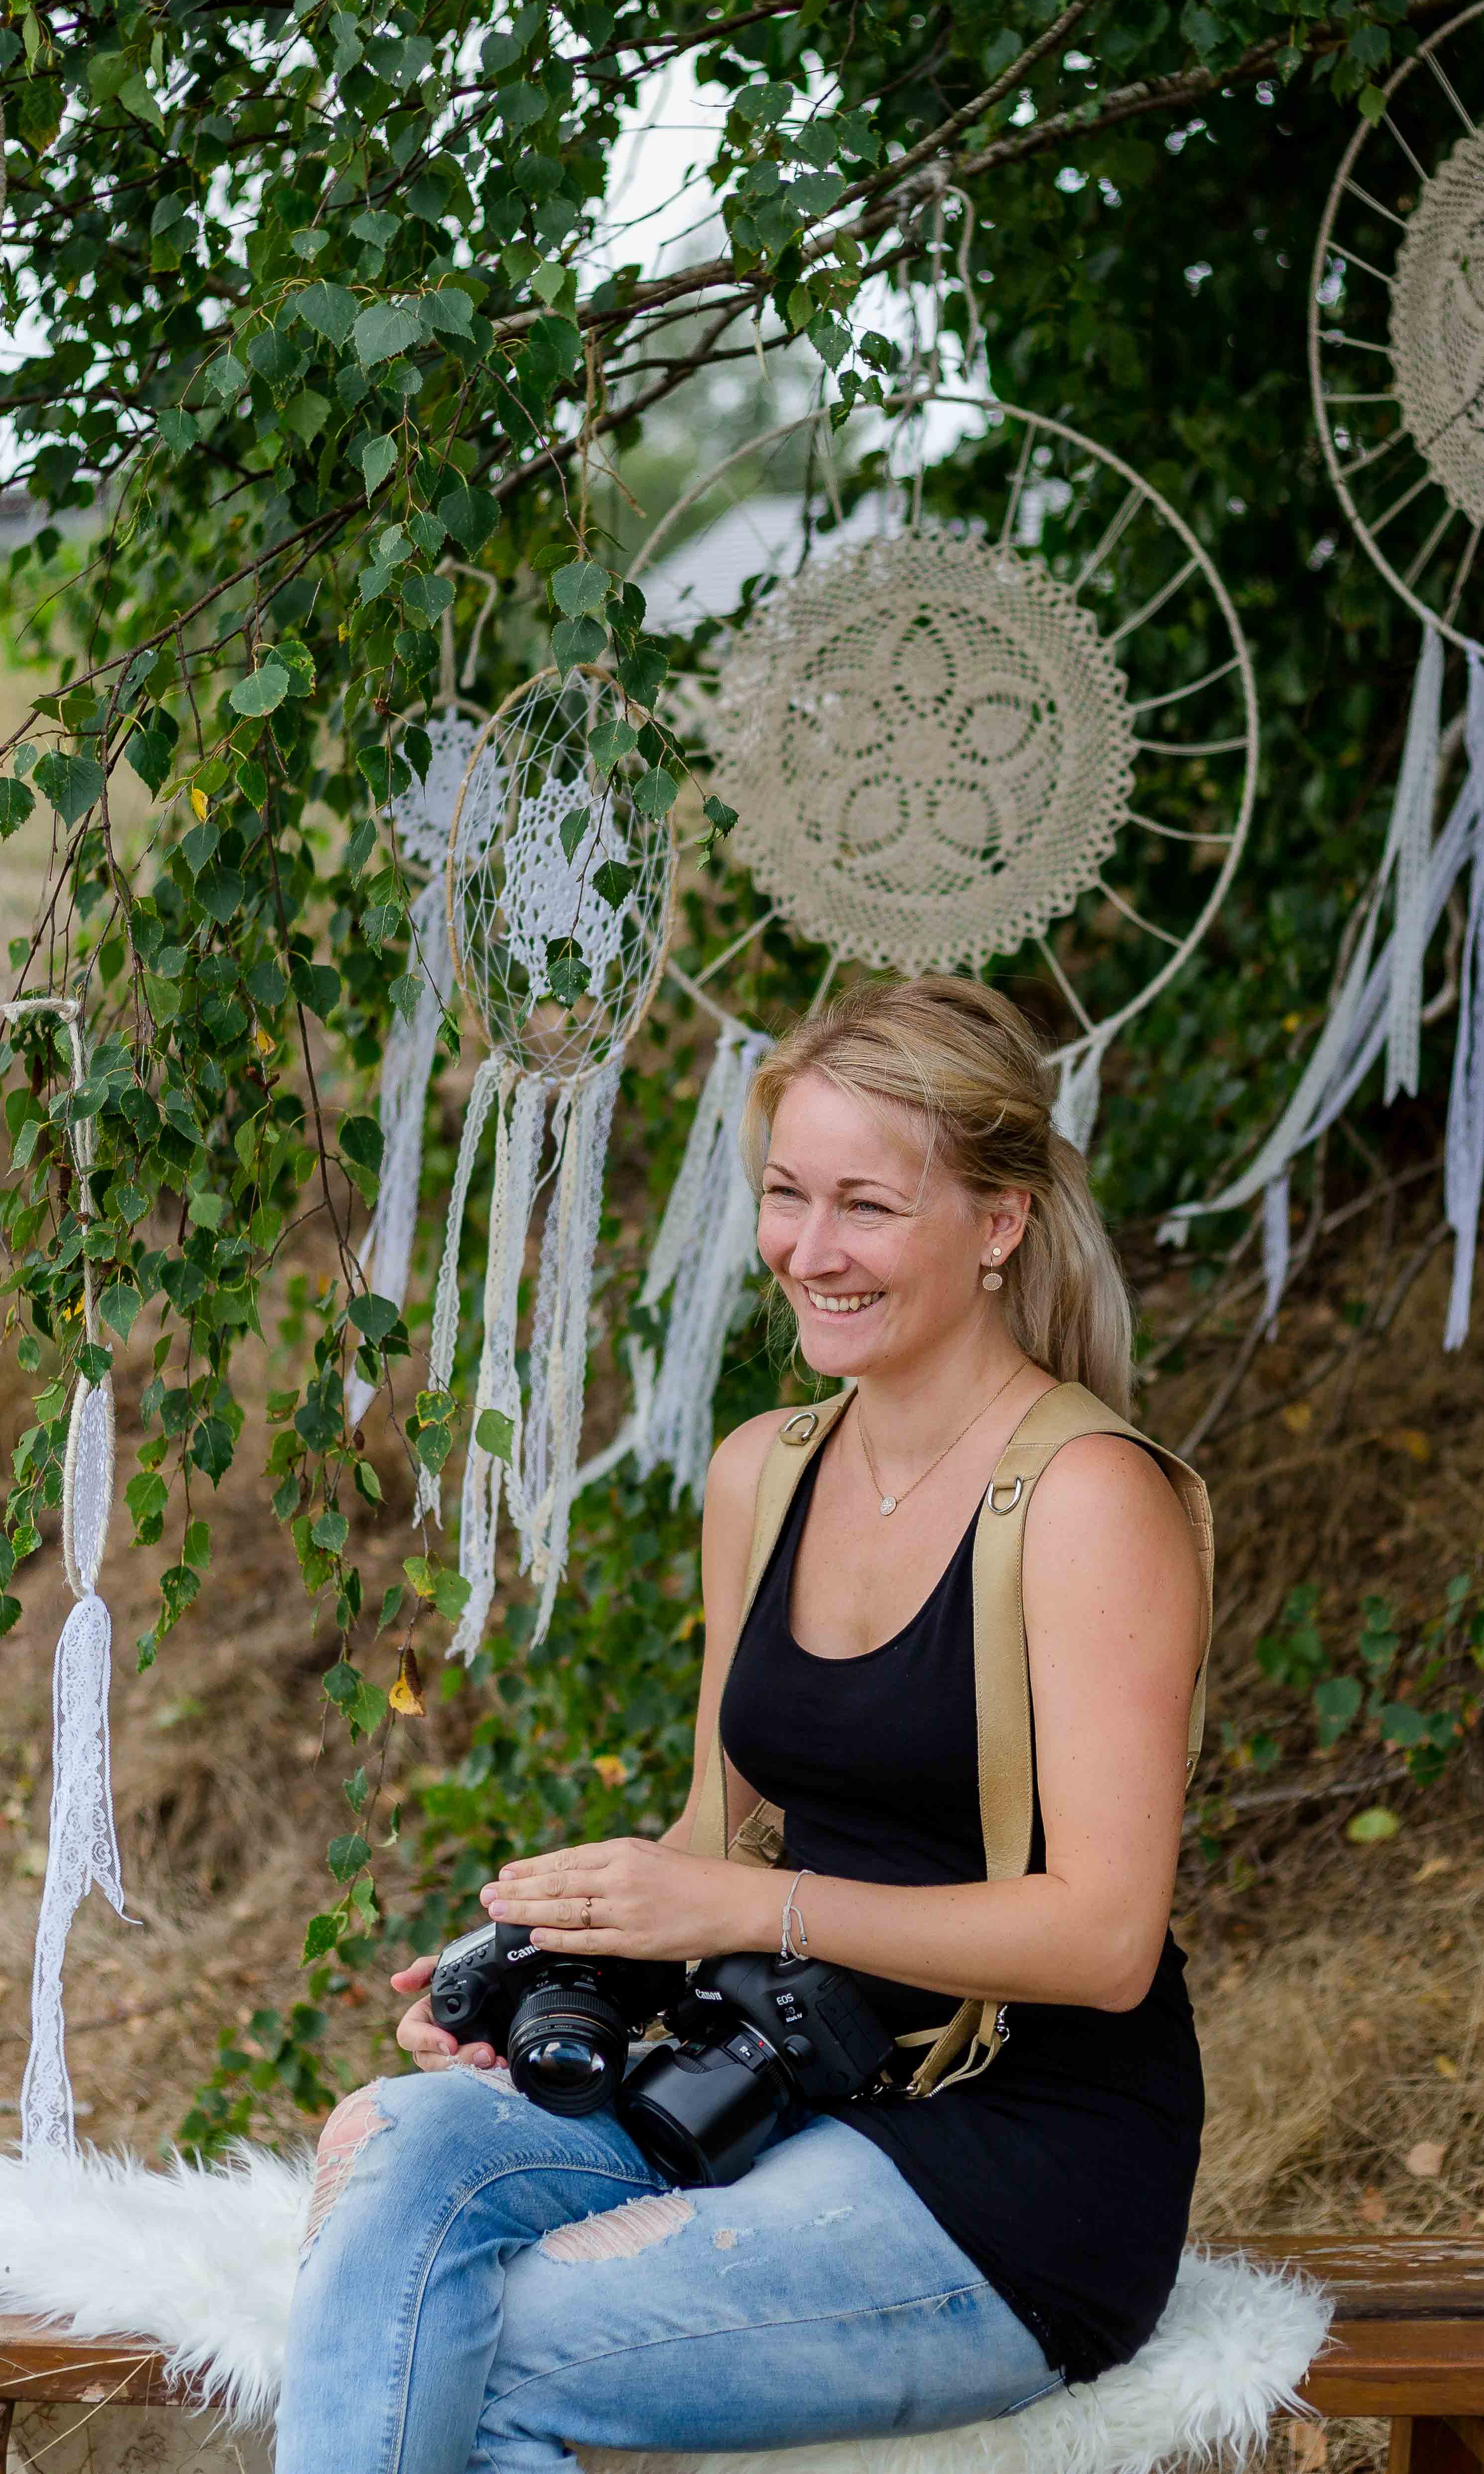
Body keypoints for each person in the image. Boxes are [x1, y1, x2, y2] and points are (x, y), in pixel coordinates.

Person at [274, 974, 1209, 2474]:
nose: (810, 1252)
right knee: (403, 2151)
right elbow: (723, 1840)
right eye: (786, 1194)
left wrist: (740, 1901)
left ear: (998, 1223)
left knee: (468, 2358)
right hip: (763, 2078)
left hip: (1020, 2164)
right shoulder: (762, 1473)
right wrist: (538, 1978)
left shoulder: (1093, 1502)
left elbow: (1104, 1936)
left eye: (867, 1208)